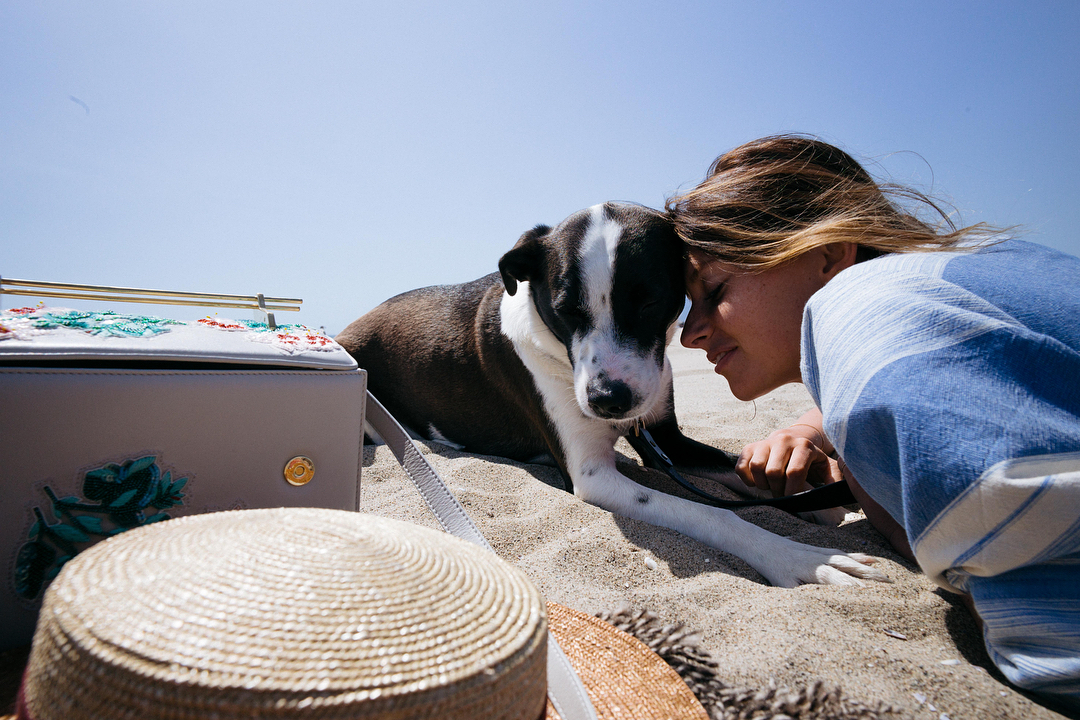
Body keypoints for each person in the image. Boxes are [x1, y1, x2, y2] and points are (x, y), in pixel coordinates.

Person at [668, 135, 1080, 708]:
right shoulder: (968, 269)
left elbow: (1054, 627)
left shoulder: (862, 311)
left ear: (830, 253)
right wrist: (819, 427)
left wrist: (892, 515)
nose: (691, 333)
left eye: (713, 291)